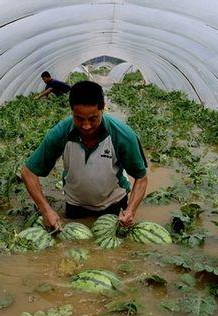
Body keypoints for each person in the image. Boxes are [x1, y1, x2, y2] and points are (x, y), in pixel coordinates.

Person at [21, 81, 148, 229]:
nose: (86, 126)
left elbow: (141, 177)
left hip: (114, 205)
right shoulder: (61, 132)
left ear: (103, 108)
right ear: (71, 111)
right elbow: (27, 172)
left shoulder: (122, 135)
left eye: (93, 118)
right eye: (79, 119)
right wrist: (46, 210)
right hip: (75, 205)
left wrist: (130, 210)